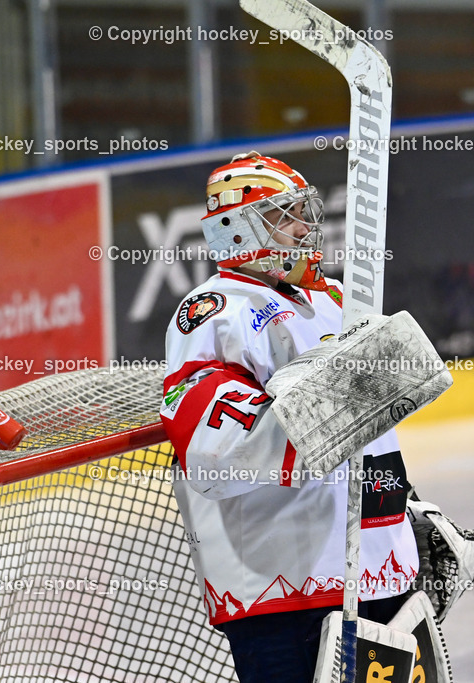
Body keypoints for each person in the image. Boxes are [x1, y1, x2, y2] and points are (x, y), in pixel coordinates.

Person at [159, 151, 419, 683]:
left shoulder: (336, 300)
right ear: (235, 228)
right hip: (287, 591)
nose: (305, 227)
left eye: (303, 211)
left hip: (378, 574)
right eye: (285, 215)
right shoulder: (213, 314)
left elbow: (370, 439)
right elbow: (217, 455)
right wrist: (344, 398)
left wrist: (405, 514)